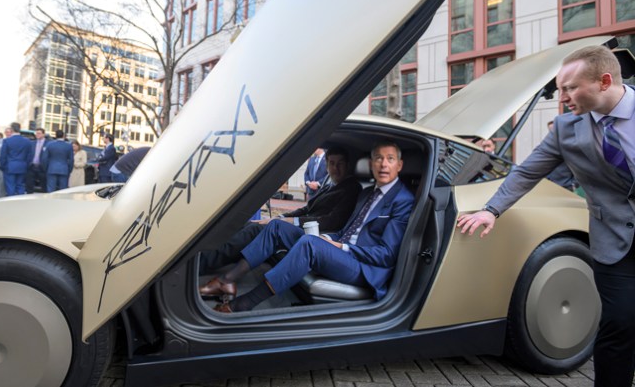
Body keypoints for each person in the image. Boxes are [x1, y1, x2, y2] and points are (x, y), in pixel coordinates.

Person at [457, 45, 635, 387]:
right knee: (619, 324)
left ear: (605, 81)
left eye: (570, 88)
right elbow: (526, 173)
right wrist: (491, 210)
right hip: (614, 241)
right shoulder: (566, 130)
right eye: (560, 88)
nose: (563, 96)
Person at [201, 142, 415, 313]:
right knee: (276, 226)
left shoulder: (403, 200)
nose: (383, 165)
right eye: (378, 158)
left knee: (309, 244)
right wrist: (330, 239)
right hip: (343, 251)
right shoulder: (367, 194)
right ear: (371, 164)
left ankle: (244, 304)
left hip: (365, 268)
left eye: (390, 159)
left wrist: (339, 247)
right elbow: (344, 232)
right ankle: (226, 280)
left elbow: (386, 255)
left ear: (400, 165)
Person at [199, 146, 363, 274]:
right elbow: (307, 208)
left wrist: (287, 220)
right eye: (332, 163)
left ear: (348, 166)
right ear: (326, 165)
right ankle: (209, 255)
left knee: (257, 228)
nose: (335, 168)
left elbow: (331, 221)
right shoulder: (330, 185)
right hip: (304, 227)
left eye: (340, 164)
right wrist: (284, 215)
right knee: (251, 224)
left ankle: (203, 263)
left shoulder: (351, 188)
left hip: (317, 235)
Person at [544, 120, 580, 192]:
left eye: (554, 129)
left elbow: (579, 168)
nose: (552, 132)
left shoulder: (570, 147)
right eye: (550, 130)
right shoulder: (547, 147)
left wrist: (574, 184)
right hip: (549, 187)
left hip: (565, 187)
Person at [0, 122, 34, 196]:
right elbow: (30, 156)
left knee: (10, 186)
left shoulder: (7, 141)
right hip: (22, 166)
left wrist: (3, 166)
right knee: (20, 185)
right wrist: (26, 165)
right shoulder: (27, 141)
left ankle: (11, 203)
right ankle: (20, 202)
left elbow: (3, 156)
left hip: (10, 166)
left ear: (11, 129)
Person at [26, 128, 48, 193]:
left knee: (44, 186)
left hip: (42, 167)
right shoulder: (32, 143)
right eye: (36, 133)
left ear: (43, 134)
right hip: (32, 166)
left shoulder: (48, 143)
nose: (37, 135)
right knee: (29, 185)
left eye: (39, 133)